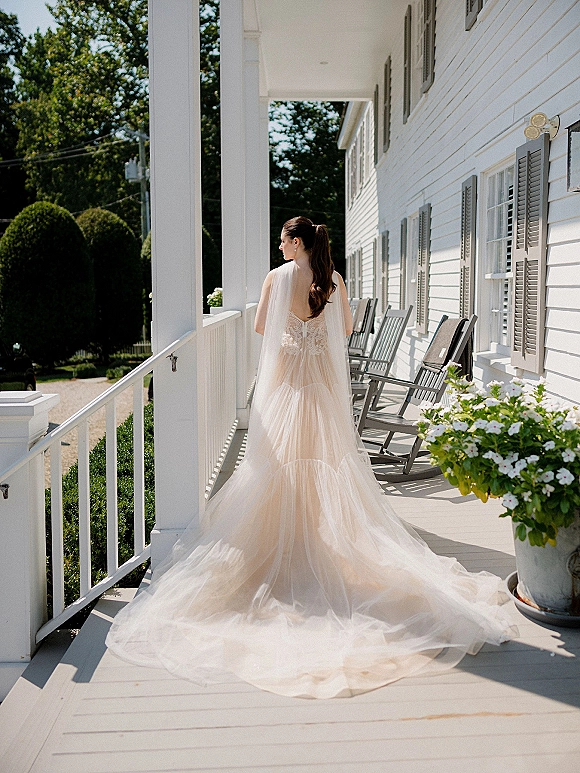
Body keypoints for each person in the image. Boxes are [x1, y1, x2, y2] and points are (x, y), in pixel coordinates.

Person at [106, 216, 517, 699]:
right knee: (329, 471)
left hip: (285, 392)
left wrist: (290, 329)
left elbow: (262, 327)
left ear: (296, 242)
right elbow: (344, 328)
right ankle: (317, 545)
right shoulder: (333, 279)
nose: (278, 245)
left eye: (282, 238)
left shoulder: (277, 279)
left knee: (275, 471)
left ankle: (291, 547)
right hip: (321, 395)